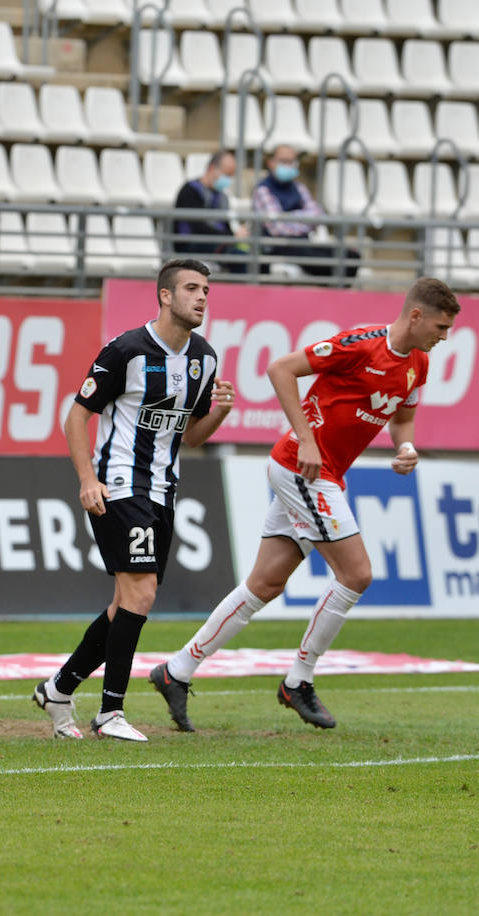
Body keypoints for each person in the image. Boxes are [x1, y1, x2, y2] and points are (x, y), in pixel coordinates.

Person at [149, 278, 460, 732]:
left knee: (264, 584)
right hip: (303, 467)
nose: (444, 336)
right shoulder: (361, 345)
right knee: (356, 574)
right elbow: (280, 368)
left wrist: (406, 447)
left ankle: (176, 670)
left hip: (320, 474)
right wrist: (308, 439)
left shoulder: (418, 363)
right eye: (440, 326)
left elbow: (403, 419)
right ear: (416, 316)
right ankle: (299, 680)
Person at [32, 258, 235, 742]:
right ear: (165, 295)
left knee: (127, 602)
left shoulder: (204, 359)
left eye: (206, 290)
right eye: (191, 288)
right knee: (140, 593)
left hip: (164, 489)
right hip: (119, 485)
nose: (201, 297)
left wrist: (221, 413)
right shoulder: (126, 350)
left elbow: (192, 436)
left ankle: (58, 689)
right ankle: (110, 711)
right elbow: (76, 417)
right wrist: (87, 479)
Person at [252, 145, 359, 278]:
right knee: (334, 265)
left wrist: (290, 217)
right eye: (283, 161)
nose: (288, 166)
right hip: (281, 247)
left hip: (304, 243)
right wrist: (304, 219)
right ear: (270, 162)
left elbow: (318, 216)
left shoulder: (299, 187)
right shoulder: (263, 190)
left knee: (351, 257)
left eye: (291, 162)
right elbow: (278, 229)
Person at [173, 150, 249, 274]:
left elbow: (225, 227)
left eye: (231, 176)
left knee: (254, 256)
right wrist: (230, 237)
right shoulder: (190, 190)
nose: (228, 180)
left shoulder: (222, 196)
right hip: (192, 244)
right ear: (212, 168)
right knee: (239, 257)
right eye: (226, 174)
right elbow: (198, 226)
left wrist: (235, 236)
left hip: (217, 244)